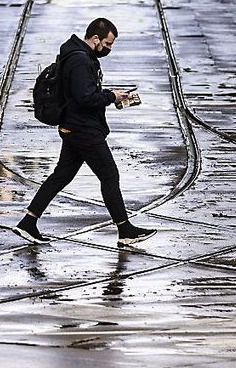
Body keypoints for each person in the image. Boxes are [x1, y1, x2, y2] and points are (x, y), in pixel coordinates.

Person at [14, 18, 156, 247]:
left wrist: (110, 96)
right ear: (95, 38)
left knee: (61, 176)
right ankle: (125, 230)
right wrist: (111, 96)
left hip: (74, 127)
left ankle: (28, 223)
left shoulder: (78, 56)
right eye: (107, 44)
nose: (108, 49)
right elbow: (84, 98)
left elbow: (83, 94)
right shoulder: (80, 60)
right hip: (83, 130)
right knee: (109, 175)